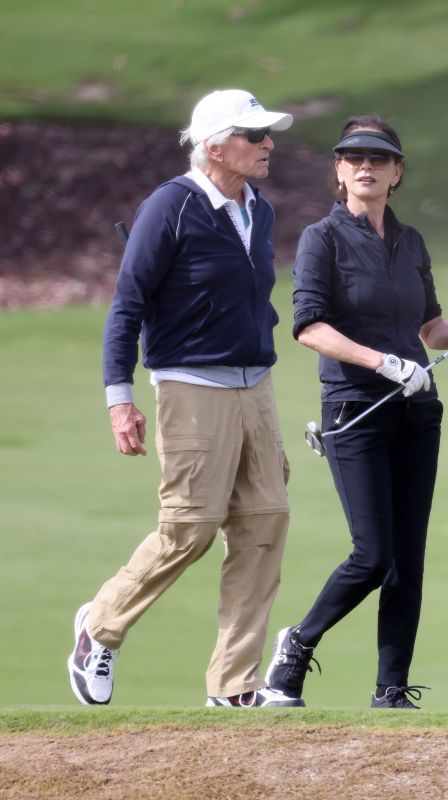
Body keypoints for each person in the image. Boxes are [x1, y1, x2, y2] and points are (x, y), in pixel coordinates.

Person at [67, 88, 304, 709]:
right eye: (254, 137)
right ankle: (99, 628)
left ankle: (234, 686)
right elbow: (128, 306)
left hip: (258, 386)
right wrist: (120, 398)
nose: (267, 144)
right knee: (191, 527)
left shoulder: (261, 210)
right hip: (191, 386)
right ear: (214, 145)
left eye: (266, 134)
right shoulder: (169, 208)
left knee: (264, 523)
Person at [265, 114, 448, 709]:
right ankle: (296, 646)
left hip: (416, 412)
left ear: (397, 173)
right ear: (338, 171)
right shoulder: (323, 238)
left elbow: (429, 327)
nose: (365, 165)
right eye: (352, 157)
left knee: (407, 560)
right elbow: (309, 327)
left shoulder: (410, 241)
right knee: (373, 553)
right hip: (355, 410)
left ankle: (391, 690)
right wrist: (383, 363)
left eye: (378, 158)